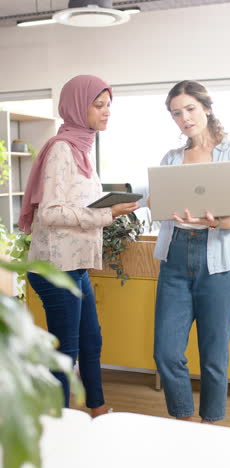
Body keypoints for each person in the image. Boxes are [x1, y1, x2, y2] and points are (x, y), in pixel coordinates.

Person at [18, 75, 139, 418]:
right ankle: (61, 422)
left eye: (108, 105)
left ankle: (97, 408)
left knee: (91, 341)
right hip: (55, 266)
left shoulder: (80, 148)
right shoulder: (61, 149)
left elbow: (76, 204)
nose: (107, 112)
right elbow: (53, 212)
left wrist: (110, 210)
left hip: (74, 264)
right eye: (98, 105)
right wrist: (106, 213)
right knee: (67, 349)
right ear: (76, 107)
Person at [152, 80, 230, 423]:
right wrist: (157, 203)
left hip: (221, 262)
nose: (184, 118)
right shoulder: (171, 158)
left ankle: (210, 428)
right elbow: (161, 206)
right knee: (165, 352)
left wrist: (216, 222)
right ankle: (182, 420)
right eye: (176, 113)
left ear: (206, 108)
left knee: (213, 356)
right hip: (175, 257)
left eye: (190, 109)